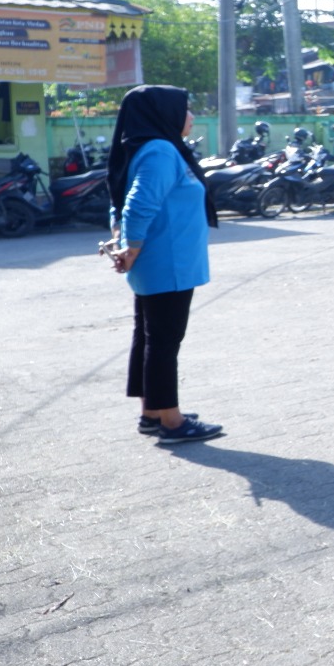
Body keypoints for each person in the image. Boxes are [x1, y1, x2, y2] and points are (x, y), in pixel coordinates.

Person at [107, 85, 222, 444]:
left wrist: (123, 241)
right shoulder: (159, 150)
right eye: (185, 109)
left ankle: (152, 412)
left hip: (159, 261)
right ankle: (172, 422)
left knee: (149, 335)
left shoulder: (145, 147)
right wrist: (131, 247)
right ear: (163, 113)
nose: (191, 116)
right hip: (167, 261)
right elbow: (137, 204)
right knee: (164, 341)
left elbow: (118, 199)